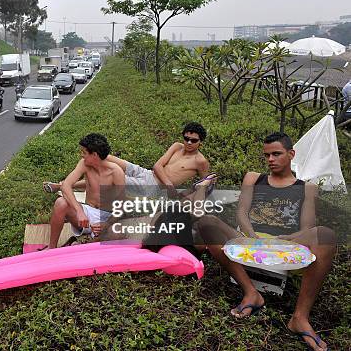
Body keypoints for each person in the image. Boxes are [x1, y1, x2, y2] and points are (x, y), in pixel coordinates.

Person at [196, 132, 336, 351]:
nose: (271, 159)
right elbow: (242, 213)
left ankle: (299, 318)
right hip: (249, 241)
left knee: (326, 234)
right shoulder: (253, 178)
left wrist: (285, 240)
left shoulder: (307, 188)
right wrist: (251, 237)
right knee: (206, 222)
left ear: (291, 154)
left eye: (277, 154)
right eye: (267, 155)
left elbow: (307, 227)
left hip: (285, 247)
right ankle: (251, 292)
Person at [44, 122, 212, 200]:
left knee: (109, 177)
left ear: (201, 142)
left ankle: (61, 185)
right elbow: (157, 165)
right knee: (105, 156)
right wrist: (169, 185)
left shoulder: (200, 161)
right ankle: (73, 178)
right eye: (186, 138)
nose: (188, 142)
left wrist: (183, 195)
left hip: (151, 187)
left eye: (193, 140)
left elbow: (204, 185)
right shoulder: (177, 146)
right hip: (147, 173)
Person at [47, 133, 126, 249]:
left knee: (119, 234)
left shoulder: (116, 172)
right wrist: (79, 211)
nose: (82, 155)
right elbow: (66, 186)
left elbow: (122, 206)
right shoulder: (84, 164)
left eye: (84, 153)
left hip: (108, 216)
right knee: (61, 203)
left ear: (94, 155)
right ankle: (52, 248)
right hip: (87, 214)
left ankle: (89, 242)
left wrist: (107, 224)